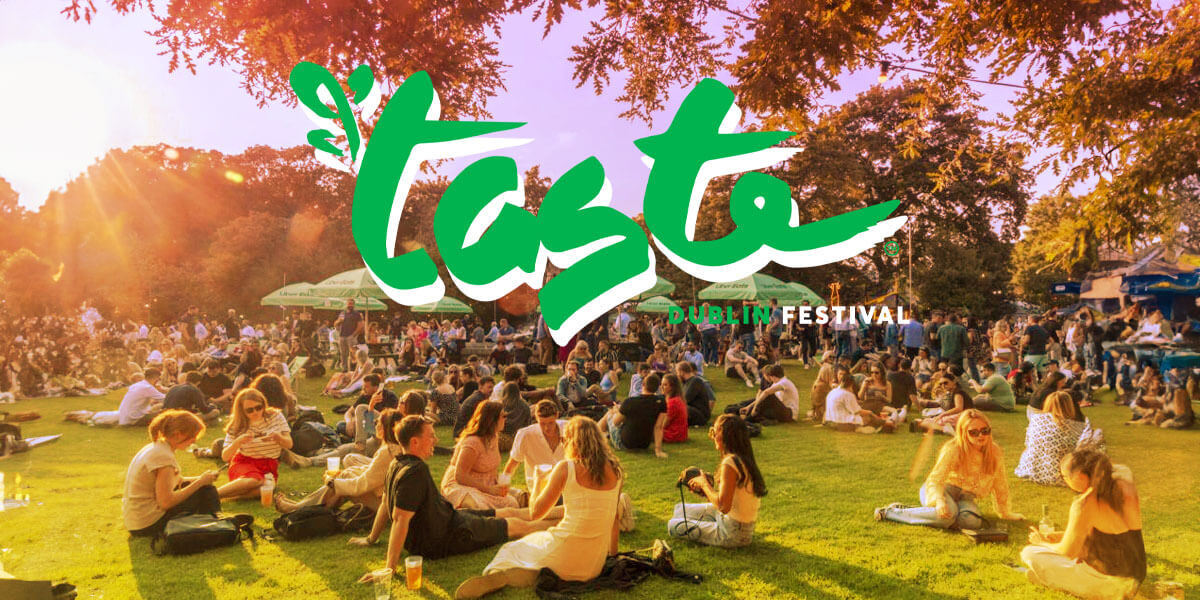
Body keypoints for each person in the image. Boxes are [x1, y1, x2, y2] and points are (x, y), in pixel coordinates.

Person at [352, 416, 559, 584]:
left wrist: (372, 538)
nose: (436, 440)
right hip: (447, 537)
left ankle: (568, 510)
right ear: (414, 442)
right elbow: (399, 519)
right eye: (431, 436)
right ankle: (567, 524)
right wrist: (389, 568)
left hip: (450, 518)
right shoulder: (414, 471)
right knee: (515, 525)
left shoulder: (396, 463)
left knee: (509, 512)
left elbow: (385, 504)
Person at [456, 417, 624, 599]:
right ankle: (524, 573)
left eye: (564, 440)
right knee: (543, 555)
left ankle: (504, 576)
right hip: (593, 565)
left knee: (513, 549)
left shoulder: (567, 468)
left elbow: (536, 513)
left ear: (570, 441)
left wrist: (538, 482)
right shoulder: (617, 471)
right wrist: (612, 556)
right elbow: (614, 518)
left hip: (565, 550)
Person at [1021, 448, 1145, 600]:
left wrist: (1042, 543)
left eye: (1063, 476)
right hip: (1135, 579)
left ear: (1079, 476)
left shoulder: (1085, 503)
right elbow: (1112, 539)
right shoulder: (1123, 484)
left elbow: (1067, 552)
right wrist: (1063, 536)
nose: (1064, 480)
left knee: (1029, 553)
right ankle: (1055, 579)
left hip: (1112, 585)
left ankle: (1059, 581)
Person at [875, 409, 1023, 528]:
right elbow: (935, 479)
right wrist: (940, 501)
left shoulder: (994, 451)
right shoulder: (953, 449)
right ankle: (889, 512)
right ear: (963, 432)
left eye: (985, 430)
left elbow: (1000, 482)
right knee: (946, 517)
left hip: (965, 497)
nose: (981, 436)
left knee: (970, 522)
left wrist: (1004, 512)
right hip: (941, 489)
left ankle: (929, 512)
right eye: (973, 432)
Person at [275, 409, 405, 513]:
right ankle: (303, 507)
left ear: (384, 428)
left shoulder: (387, 452)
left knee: (343, 479)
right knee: (346, 471)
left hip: (385, 506)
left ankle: (299, 508)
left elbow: (362, 484)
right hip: (389, 498)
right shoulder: (397, 446)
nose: (375, 424)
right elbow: (374, 472)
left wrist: (333, 482)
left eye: (378, 422)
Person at [667, 414, 766, 547]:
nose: (712, 436)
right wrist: (706, 489)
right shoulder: (742, 458)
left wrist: (704, 484)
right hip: (737, 525)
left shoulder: (730, 463)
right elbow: (728, 499)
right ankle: (707, 524)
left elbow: (723, 506)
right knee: (679, 509)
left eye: (714, 431)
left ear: (726, 436)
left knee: (672, 525)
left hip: (732, 533)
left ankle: (709, 527)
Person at [123, 410, 221, 536]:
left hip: (136, 521)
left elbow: (175, 481)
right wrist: (201, 482)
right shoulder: (164, 456)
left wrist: (204, 478)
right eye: (193, 437)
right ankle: (215, 526)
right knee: (207, 490)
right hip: (149, 523)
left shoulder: (156, 447)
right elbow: (166, 502)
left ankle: (210, 523)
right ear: (178, 434)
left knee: (205, 485)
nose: (193, 441)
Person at [443, 402, 521, 510]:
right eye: (503, 416)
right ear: (492, 419)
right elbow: (460, 476)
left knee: (512, 504)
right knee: (478, 507)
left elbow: (492, 466)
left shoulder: (493, 437)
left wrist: (498, 484)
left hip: (486, 484)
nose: (505, 418)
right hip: (462, 485)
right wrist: (489, 490)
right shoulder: (472, 443)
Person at [217, 389, 293, 500]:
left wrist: (278, 437)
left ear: (264, 404)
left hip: (269, 464)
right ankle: (214, 494)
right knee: (255, 480)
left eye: (258, 407)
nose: (255, 412)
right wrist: (238, 441)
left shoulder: (275, 416)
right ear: (242, 411)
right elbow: (225, 456)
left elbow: (289, 444)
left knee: (265, 490)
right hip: (245, 462)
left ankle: (227, 497)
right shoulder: (237, 424)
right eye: (249, 410)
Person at [1015, 392, 1087, 486]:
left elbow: (1027, 443)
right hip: (1060, 474)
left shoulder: (1036, 419)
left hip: (1029, 470)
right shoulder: (1077, 427)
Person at [600, 373, 669, 457]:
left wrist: (617, 411)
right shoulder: (661, 403)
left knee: (610, 413)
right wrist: (658, 450)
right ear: (658, 387)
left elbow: (616, 423)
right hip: (644, 444)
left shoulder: (630, 402)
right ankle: (603, 434)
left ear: (643, 384)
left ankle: (596, 435)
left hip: (625, 444)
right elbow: (658, 427)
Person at [504, 400, 567, 492]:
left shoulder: (568, 428)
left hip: (565, 482)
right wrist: (503, 484)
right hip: (539, 485)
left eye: (550, 423)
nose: (547, 428)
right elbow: (512, 464)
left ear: (557, 415)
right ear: (536, 418)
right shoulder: (525, 435)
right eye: (542, 423)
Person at [824, 371, 892, 433]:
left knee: (866, 416)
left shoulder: (833, 391)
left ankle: (881, 425)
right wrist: (871, 413)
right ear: (851, 384)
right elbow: (858, 411)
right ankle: (885, 424)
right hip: (841, 423)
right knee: (868, 417)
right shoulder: (847, 394)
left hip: (830, 421)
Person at [731, 364, 799, 424]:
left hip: (790, 414)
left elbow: (766, 393)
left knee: (767, 396)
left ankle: (749, 418)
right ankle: (750, 417)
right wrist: (749, 407)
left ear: (773, 376)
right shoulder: (777, 383)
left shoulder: (784, 382)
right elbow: (762, 396)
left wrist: (755, 407)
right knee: (762, 400)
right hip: (782, 411)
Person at [343, 374, 399, 445]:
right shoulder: (365, 396)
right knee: (341, 425)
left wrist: (371, 405)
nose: (363, 389)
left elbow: (389, 418)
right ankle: (360, 437)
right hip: (365, 426)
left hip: (379, 426)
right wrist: (349, 422)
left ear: (375, 387)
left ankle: (360, 442)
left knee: (361, 408)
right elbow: (348, 412)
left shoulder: (389, 396)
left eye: (366, 387)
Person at [497, 382, 532, 453]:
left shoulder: (500, 405)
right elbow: (528, 424)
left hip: (503, 437)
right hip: (519, 438)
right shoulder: (524, 405)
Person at [334, 298, 365, 371]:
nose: (349, 305)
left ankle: (354, 368)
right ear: (346, 304)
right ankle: (344, 369)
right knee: (343, 354)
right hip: (342, 336)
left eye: (351, 303)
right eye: (348, 303)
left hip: (351, 336)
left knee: (353, 354)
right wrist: (339, 321)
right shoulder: (342, 313)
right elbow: (335, 324)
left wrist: (354, 334)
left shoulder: (356, 314)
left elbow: (360, 325)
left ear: (354, 305)